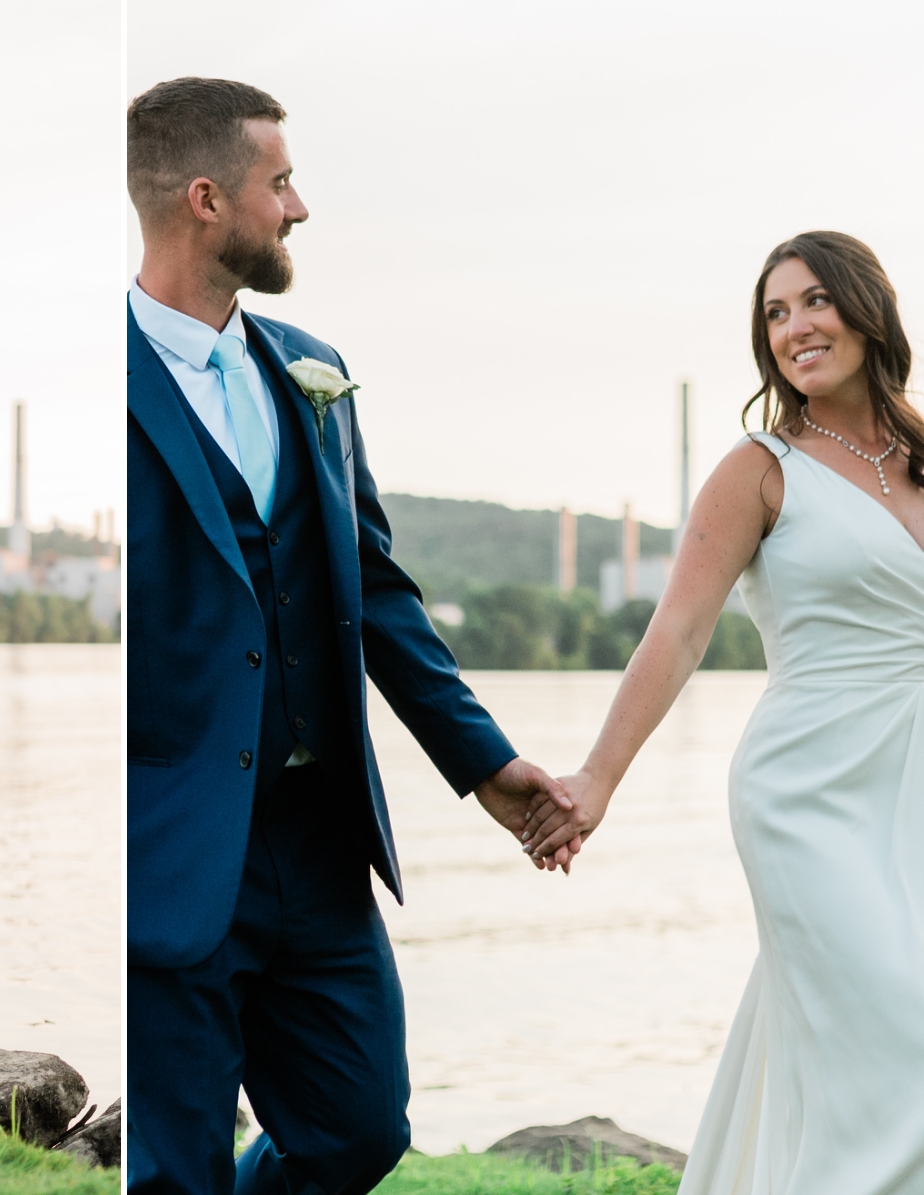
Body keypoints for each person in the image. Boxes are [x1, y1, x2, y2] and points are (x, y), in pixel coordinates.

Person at [125, 77, 580, 1195]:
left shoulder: (309, 370)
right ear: (203, 199)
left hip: (319, 840)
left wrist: (487, 765)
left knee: (358, 1128)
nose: (298, 207)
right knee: (171, 1168)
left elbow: (375, 590)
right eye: (279, 183)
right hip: (171, 843)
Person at [525, 231, 924, 1192]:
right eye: (776, 315)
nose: (796, 328)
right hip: (808, 796)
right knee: (900, 1046)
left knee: (828, 1057)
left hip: (915, 789)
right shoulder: (760, 466)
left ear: (867, 308)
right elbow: (676, 634)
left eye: (815, 302)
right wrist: (597, 780)